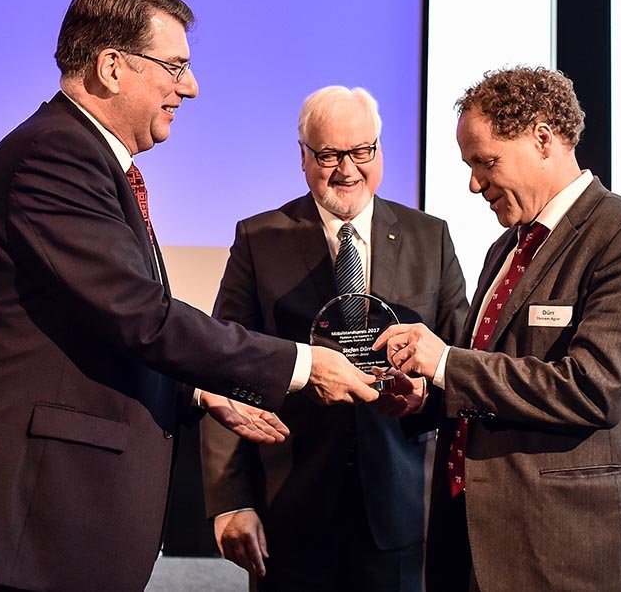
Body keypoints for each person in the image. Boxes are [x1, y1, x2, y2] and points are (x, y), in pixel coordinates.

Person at [0, 0, 378, 592]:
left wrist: (199, 393)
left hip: (53, 515)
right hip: (31, 516)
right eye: (175, 66)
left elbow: (96, 327)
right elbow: (140, 315)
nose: (190, 86)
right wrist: (303, 364)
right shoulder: (55, 156)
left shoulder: (88, 158)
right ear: (112, 67)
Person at [376, 67, 621, 592]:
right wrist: (427, 395)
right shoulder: (506, 248)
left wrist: (445, 362)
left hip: (577, 551)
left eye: (486, 161)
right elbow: (497, 382)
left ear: (543, 139)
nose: (474, 184)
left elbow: (596, 387)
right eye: (470, 166)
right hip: (477, 542)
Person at [201, 86, 469, 591]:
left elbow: (461, 363)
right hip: (290, 509)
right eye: (329, 155)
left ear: (379, 150)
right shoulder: (260, 239)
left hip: (400, 510)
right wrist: (231, 500)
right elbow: (224, 366)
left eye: (362, 151)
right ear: (303, 156)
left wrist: (423, 395)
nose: (347, 169)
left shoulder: (429, 237)